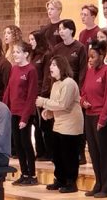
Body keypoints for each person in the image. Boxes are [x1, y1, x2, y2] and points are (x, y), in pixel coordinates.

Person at [36, 55, 83, 194]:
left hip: (71, 125)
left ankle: (70, 182)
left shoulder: (69, 83)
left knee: (69, 155)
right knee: (57, 154)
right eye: (50, 65)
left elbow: (63, 104)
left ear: (62, 67)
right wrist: (48, 112)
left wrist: (44, 102)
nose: (50, 67)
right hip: (59, 124)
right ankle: (60, 179)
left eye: (54, 65)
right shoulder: (56, 84)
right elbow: (56, 104)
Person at [81, 40, 107, 198]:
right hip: (89, 115)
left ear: (102, 55)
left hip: (101, 117)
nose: (90, 59)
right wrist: (83, 102)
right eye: (88, 56)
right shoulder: (90, 71)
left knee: (104, 153)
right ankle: (99, 183)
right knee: (94, 153)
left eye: (93, 56)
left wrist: (103, 119)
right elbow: (83, 92)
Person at [51, 19, 88, 164]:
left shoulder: (80, 47)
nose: (60, 31)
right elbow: (53, 70)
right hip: (59, 89)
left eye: (64, 29)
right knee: (61, 124)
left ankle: (80, 153)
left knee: (76, 124)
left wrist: (80, 91)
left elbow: (83, 70)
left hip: (74, 91)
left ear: (71, 30)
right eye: (59, 29)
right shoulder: (57, 48)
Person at [3, 41, 38, 185]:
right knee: (17, 144)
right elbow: (9, 90)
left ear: (26, 54)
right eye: (14, 52)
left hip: (26, 113)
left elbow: (31, 96)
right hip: (14, 112)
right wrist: (4, 109)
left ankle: (32, 175)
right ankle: (24, 173)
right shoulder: (14, 69)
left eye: (18, 52)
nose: (15, 55)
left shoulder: (31, 70)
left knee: (26, 143)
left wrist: (25, 117)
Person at [29, 30, 52, 161]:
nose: (31, 42)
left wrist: (43, 94)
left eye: (33, 39)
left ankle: (49, 152)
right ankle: (40, 151)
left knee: (45, 125)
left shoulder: (46, 55)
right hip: (33, 93)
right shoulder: (33, 55)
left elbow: (46, 76)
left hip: (43, 94)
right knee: (36, 125)